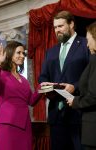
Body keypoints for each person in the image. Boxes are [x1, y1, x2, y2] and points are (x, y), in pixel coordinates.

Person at [39, 11, 90, 150]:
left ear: (71, 24)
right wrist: (45, 87)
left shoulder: (86, 44)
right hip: (56, 116)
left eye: (60, 26)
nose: (57, 30)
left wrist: (75, 86)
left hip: (79, 114)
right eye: (55, 27)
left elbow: (92, 75)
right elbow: (43, 76)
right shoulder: (51, 52)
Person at [0, 41, 42, 150]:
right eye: (19, 53)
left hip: (25, 126)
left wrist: (42, 88)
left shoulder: (24, 80)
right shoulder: (1, 74)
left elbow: (31, 101)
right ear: (10, 54)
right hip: (7, 125)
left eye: (23, 53)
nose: (22, 56)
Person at [67, 21, 96, 150]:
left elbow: (93, 96)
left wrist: (75, 101)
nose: (87, 43)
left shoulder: (95, 60)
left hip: (93, 131)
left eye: (89, 40)